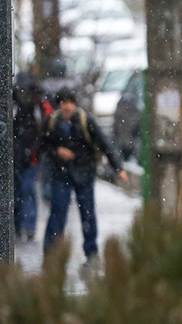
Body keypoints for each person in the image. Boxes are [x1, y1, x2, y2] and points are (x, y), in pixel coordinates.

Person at [41, 87, 128, 265]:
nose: (67, 107)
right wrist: (58, 151)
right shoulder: (52, 122)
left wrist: (118, 167)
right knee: (58, 212)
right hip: (62, 174)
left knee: (87, 214)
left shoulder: (85, 121)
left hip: (84, 173)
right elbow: (43, 145)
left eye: (70, 102)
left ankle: (91, 253)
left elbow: (104, 143)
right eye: (64, 103)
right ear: (59, 105)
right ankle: (51, 253)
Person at [12, 71, 51, 241]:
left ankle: (28, 227)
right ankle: (18, 226)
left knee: (27, 189)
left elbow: (48, 121)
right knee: (17, 192)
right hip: (16, 155)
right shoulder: (13, 102)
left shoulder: (38, 102)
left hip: (32, 156)